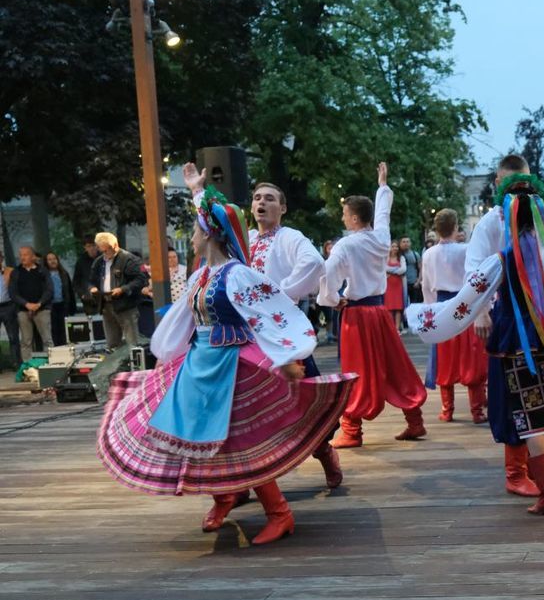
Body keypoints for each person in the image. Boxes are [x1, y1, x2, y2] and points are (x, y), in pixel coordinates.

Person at [97, 172, 355, 545]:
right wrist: (167, 356)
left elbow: (268, 312)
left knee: (244, 437)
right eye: (257, 197)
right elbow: (185, 315)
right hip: (200, 364)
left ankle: (279, 511)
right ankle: (226, 495)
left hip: (237, 363)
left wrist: (287, 355)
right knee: (204, 436)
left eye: (197, 230)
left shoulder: (239, 272)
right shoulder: (204, 274)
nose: (193, 236)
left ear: (209, 235)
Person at [408, 171, 544, 515]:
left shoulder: (500, 260)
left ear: (505, 214)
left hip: (517, 341)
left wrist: (423, 316)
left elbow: (468, 298)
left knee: (530, 417)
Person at [319, 162, 428, 448]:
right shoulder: (381, 238)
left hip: (356, 315)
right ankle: (414, 419)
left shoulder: (346, 245)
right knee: (396, 364)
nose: (343, 219)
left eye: (345, 214)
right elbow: (383, 214)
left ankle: (352, 431)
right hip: (379, 311)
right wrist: (382, 185)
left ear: (354, 218)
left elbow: (328, 276)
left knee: (355, 369)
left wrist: (332, 299)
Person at [247, 179, 343, 489]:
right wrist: (198, 194)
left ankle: (323, 449)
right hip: (247, 334)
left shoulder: (290, 237)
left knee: (303, 395)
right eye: (258, 198)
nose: (262, 202)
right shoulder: (244, 238)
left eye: (270, 199)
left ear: (283, 208)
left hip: (281, 329)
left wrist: (280, 296)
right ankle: (243, 483)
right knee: (246, 404)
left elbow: (314, 262)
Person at [421, 209, 489, 429]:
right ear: (456, 226)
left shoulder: (428, 254)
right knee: (472, 356)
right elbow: (476, 278)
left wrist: (430, 310)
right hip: (465, 304)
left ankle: (447, 410)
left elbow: (426, 286)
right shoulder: (467, 250)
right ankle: (477, 410)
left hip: (441, 307)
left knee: (445, 357)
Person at [90, 232, 148, 349]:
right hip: (106, 304)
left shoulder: (129, 259)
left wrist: (123, 289)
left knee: (132, 341)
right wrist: (92, 288)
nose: (104, 254)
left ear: (115, 246)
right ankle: (115, 365)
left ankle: (134, 364)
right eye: (102, 251)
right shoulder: (99, 262)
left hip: (125, 304)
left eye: (106, 251)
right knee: (111, 342)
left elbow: (141, 279)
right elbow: (92, 279)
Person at [12, 246, 52, 363]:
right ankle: (27, 368)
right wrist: (26, 304)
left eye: (25, 255)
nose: (22, 257)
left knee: (47, 339)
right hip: (23, 310)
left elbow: (49, 290)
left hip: (42, 309)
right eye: (20, 255)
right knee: (26, 340)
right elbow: (13, 293)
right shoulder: (16, 272)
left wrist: (39, 304)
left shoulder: (42, 270)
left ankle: (50, 365)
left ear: (33, 256)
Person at [44, 251, 75, 347]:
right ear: (46, 262)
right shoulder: (44, 274)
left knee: (64, 330)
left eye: (54, 259)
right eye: (49, 259)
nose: (53, 261)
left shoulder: (63, 273)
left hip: (62, 304)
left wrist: (71, 306)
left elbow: (69, 290)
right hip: (50, 306)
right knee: (54, 330)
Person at [72, 237, 101, 315]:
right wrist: (82, 294)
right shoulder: (81, 261)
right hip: (88, 299)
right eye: (89, 246)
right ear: (85, 248)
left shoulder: (103, 258)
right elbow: (76, 281)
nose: (92, 248)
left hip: (103, 296)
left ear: (97, 246)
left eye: (93, 245)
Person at [385, 240, 407, 331]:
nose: (395, 248)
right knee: (389, 307)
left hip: (398, 284)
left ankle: (397, 328)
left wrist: (391, 271)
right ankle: (390, 328)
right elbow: (384, 268)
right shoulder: (386, 258)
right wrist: (396, 270)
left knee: (398, 307)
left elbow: (403, 269)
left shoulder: (401, 258)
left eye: (396, 246)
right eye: (393, 246)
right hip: (388, 284)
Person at [399, 236, 421, 302]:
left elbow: (421, 269)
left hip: (414, 284)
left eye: (407, 242)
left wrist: (418, 281)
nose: (406, 244)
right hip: (401, 284)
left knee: (414, 305)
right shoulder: (397, 255)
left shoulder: (415, 254)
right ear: (400, 244)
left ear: (410, 243)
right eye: (404, 242)